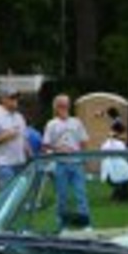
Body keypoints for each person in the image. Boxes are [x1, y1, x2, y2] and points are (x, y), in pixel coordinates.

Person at [43, 94, 91, 226]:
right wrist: (58, 149)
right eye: (61, 105)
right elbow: (46, 144)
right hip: (60, 164)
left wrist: (83, 157)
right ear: (56, 107)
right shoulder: (51, 124)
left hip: (76, 164)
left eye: (66, 105)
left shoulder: (76, 122)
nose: (64, 107)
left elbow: (84, 141)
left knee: (81, 195)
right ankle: (61, 225)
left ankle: (86, 224)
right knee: (61, 197)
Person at [0, 88, 28, 193]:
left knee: (20, 195)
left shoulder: (20, 117)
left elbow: (24, 139)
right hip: (4, 164)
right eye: (12, 98)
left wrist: (31, 155)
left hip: (20, 163)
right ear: (3, 100)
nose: (15, 100)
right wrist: (5, 137)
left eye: (16, 98)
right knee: (8, 195)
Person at [99, 119, 128, 202]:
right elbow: (123, 153)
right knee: (124, 180)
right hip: (114, 169)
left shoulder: (110, 142)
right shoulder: (116, 143)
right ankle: (118, 197)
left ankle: (120, 197)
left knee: (125, 180)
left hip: (116, 168)